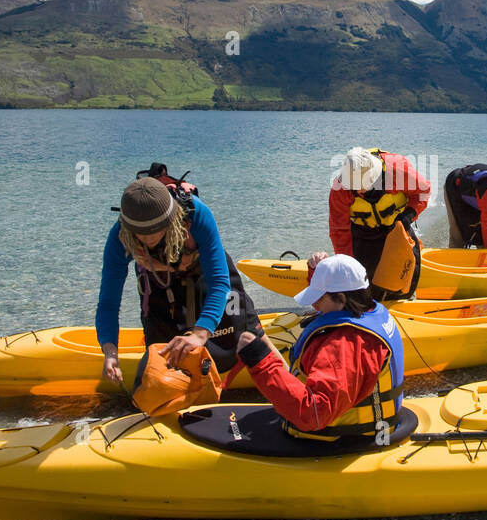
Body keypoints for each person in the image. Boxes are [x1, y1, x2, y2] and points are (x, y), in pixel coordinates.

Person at [96, 175, 260, 390]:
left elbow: (219, 282)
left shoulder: (196, 214)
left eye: (156, 229)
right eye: (141, 233)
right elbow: (108, 302)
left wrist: (200, 334)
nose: (148, 238)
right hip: (158, 278)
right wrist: (110, 351)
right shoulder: (120, 236)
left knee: (248, 333)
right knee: (162, 358)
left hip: (204, 271)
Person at [235, 254, 405, 442]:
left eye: (318, 298)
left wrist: (260, 362)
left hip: (341, 440)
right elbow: (331, 299)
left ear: (341, 298)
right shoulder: (371, 309)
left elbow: (312, 414)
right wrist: (317, 274)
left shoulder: (344, 344)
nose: (314, 305)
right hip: (373, 427)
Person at [329, 146, 430, 298]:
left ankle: (405, 302)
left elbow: (423, 191)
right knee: (365, 291)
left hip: (396, 231)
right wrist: (349, 265)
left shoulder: (397, 170)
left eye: (359, 186)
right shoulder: (340, 189)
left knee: (403, 285)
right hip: (364, 235)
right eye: (352, 186)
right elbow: (339, 231)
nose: (356, 191)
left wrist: (409, 215)